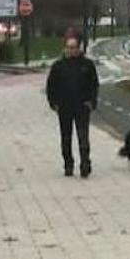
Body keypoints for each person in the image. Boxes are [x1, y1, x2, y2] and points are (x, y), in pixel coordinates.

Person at [46, 33, 100, 178]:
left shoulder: (87, 65)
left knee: (83, 137)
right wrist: (53, 103)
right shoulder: (58, 66)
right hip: (64, 107)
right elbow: (51, 86)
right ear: (65, 49)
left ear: (79, 48)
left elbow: (94, 84)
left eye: (74, 47)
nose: (71, 50)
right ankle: (68, 164)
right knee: (66, 137)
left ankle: (85, 164)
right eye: (69, 47)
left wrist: (91, 102)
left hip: (82, 106)